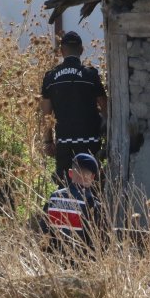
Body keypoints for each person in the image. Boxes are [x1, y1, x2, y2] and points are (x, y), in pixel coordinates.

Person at [40, 31, 107, 182]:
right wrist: (107, 136)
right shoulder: (90, 75)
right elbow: (105, 107)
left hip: (64, 142)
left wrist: (48, 141)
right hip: (90, 141)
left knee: (65, 186)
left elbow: (47, 115)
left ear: (61, 51)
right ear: (82, 50)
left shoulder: (50, 77)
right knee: (92, 186)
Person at [43, 153, 106, 252]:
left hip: (53, 261)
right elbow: (99, 242)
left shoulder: (54, 197)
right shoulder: (92, 203)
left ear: (70, 173)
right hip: (80, 263)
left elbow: (43, 231)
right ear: (93, 177)